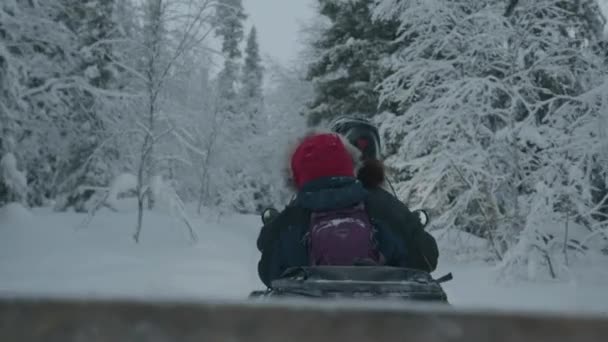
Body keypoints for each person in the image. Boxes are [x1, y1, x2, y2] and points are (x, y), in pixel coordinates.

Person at [256, 130, 438, 288]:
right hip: (382, 321)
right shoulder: (382, 205)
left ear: (298, 176)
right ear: (349, 165)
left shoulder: (292, 217)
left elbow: (268, 274)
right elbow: (427, 259)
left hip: (312, 324)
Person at [329, 115, 439, 272]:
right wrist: (411, 224)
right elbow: (428, 259)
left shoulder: (308, 201)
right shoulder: (388, 205)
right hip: (381, 295)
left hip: (312, 295)